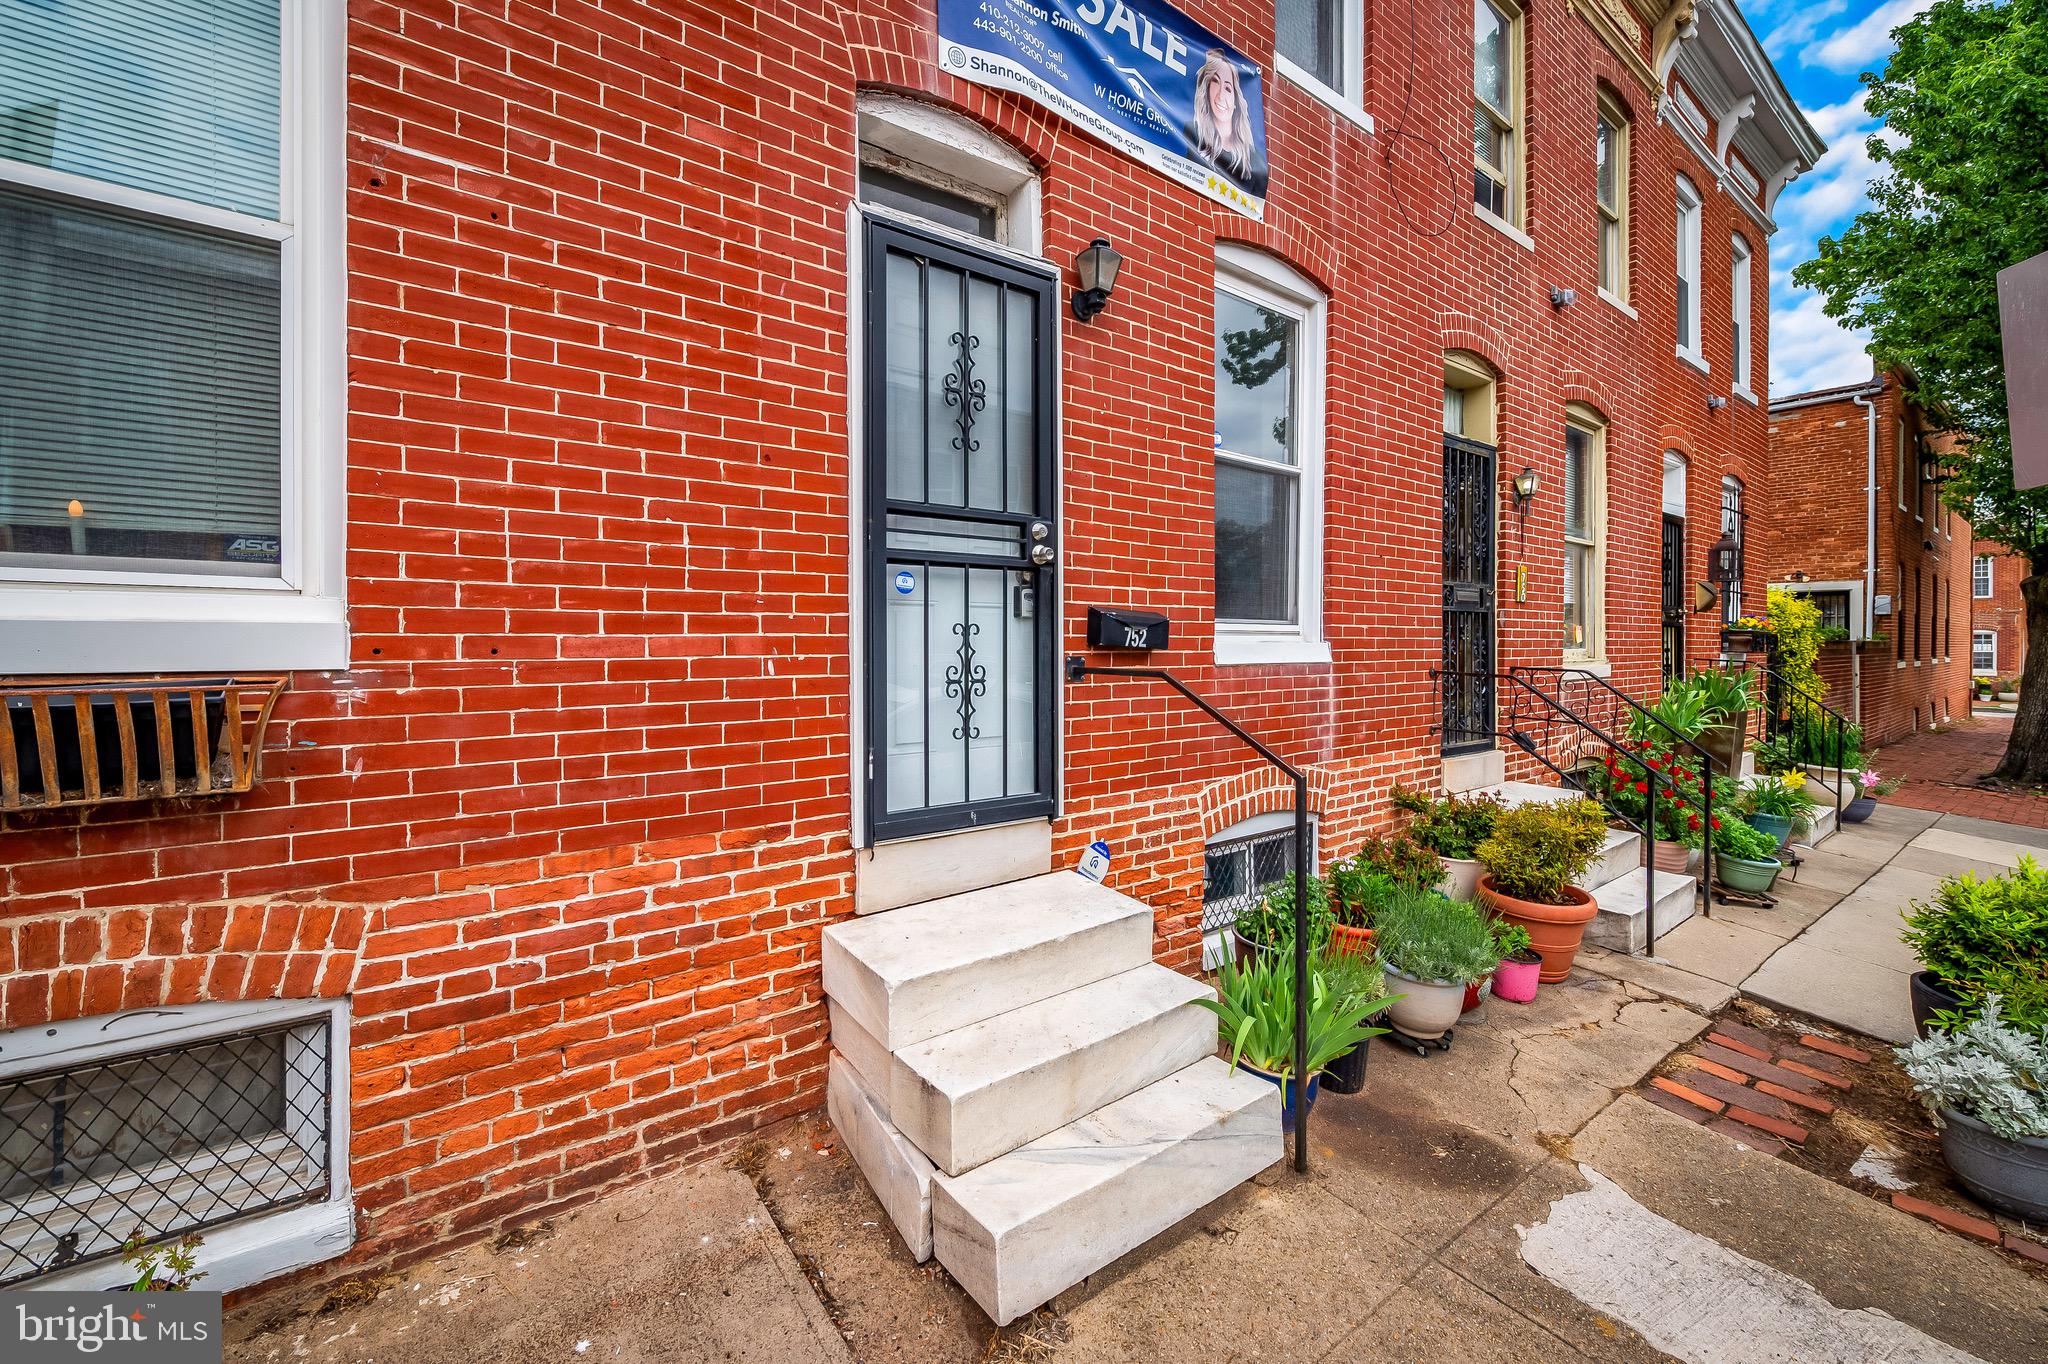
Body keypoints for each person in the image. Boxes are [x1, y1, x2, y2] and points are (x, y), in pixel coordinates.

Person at [1188, 50, 1268, 197]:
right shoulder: (1193, 136)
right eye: (1215, 82)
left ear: (1236, 101)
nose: (1221, 95)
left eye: (1228, 88)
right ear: (1206, 90)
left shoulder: (1256, 162)